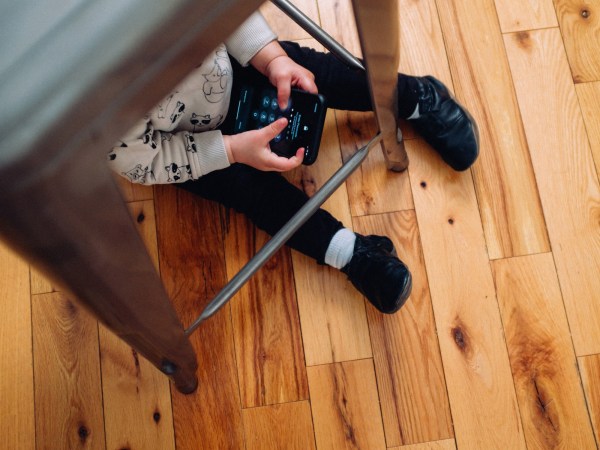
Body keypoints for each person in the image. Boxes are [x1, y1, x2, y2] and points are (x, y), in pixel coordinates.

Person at [108, 12, 479, 314]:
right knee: (255, 196)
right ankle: (351, 254)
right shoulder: (84, 121)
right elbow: (148, 160)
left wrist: (272, 58)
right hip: (195, 144)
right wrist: (232, 150)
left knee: (320, 78)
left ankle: (416, 96)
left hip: (241, 64)